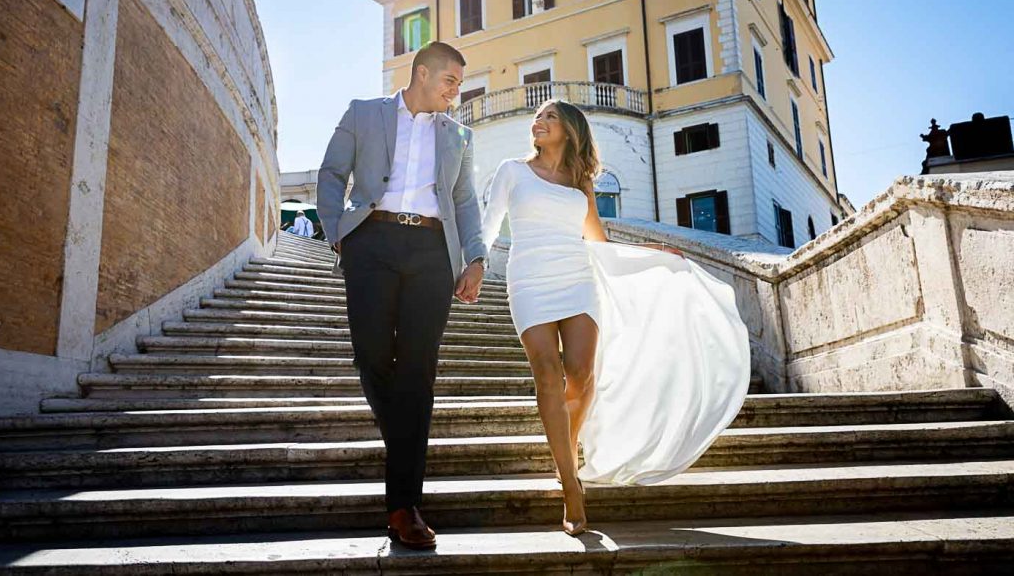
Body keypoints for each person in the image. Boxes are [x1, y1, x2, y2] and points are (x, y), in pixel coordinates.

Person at [480, 99, 751, 536]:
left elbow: (599, 241)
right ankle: (571, 484)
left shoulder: (580, 183)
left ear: (569, 130)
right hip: (529, 279)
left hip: (578, 276)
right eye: (538, 116)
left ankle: (566, 447)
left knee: (582, 376)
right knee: (548, 376)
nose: (539, 121)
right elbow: (489, 225)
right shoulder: (512, 171)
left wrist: (655, 254)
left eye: (550, 116)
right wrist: (474, 263)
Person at [316, 41, 487, 550]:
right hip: (372, 239)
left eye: (459, 83)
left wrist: (475, 258)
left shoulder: (459, 136)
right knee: (371, 356)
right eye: (450, 81)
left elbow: (465, 200)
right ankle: (407, 448)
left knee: (418, 369)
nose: (456, 92)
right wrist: (338, 231)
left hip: (432, 250)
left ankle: (404, 505)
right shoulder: (364, 113)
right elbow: (331, 173)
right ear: (421, 72)